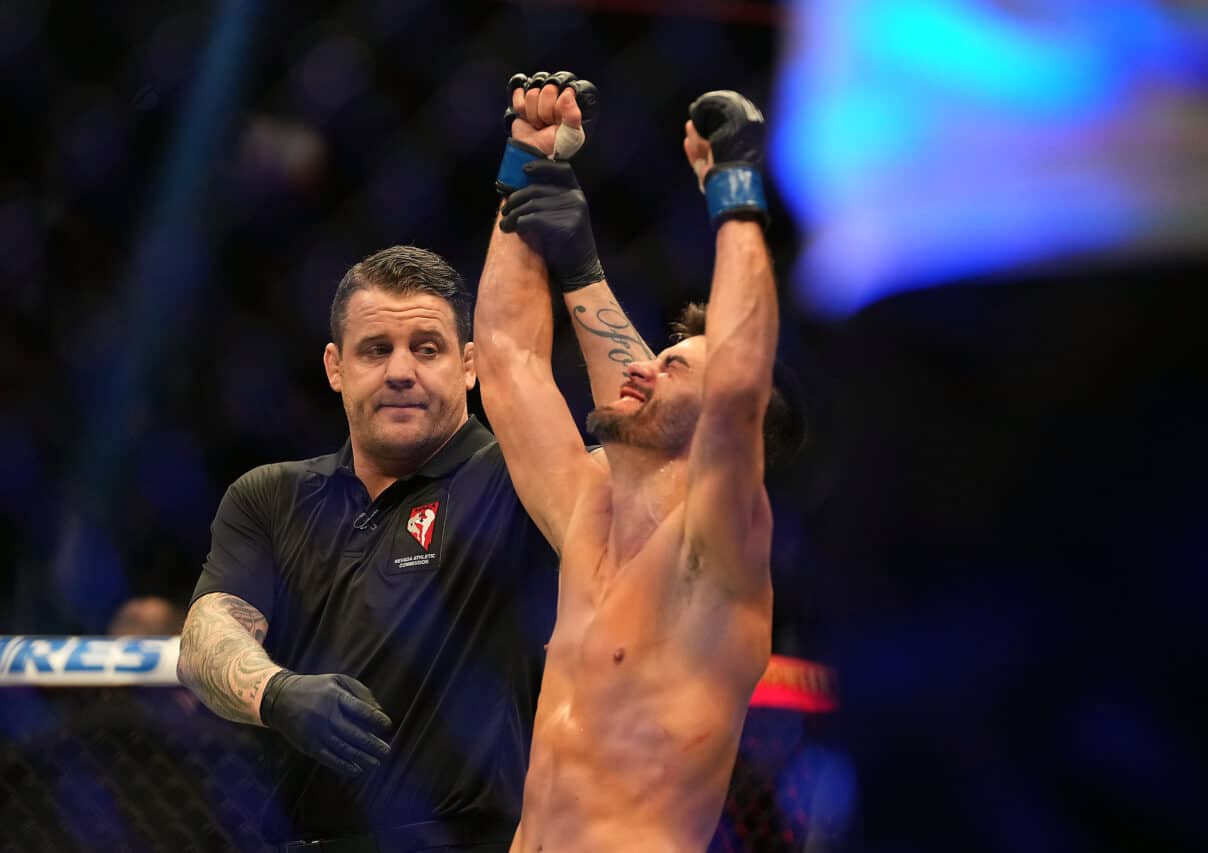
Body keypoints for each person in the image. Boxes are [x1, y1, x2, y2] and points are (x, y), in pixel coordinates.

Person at [177, 84, 652, 847]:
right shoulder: (271, 496)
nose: (401, 370)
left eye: (426, 348)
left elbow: (647, 445)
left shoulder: (513, 482)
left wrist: (579, 266)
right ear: (335, 368)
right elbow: (207, 633)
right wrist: (276, 691)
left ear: (468, 364)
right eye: (376, 349)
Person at [476, 79, 786, 851]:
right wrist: (524, 162)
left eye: (674, 366)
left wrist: (734, 191)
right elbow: (508, 360)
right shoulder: (588, 512)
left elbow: (737, 389)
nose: (642, 366)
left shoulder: (716, 553)